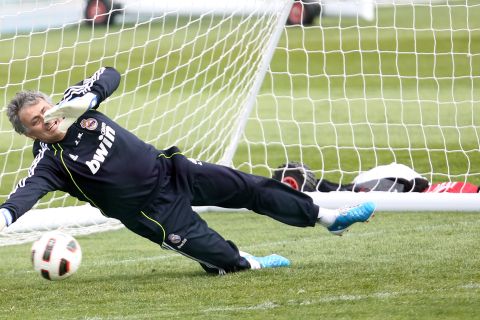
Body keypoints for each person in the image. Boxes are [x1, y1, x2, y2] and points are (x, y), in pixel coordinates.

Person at [0, 67, 376, 274]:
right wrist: (4, 215)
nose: (46, 121)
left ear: (51, 103)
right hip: (153, 213)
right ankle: (248, 261)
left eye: (44, 111)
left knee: (250, 186)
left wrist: (92, 96)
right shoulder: (50, 161)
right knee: (226, 263)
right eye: (35, 121)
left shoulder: (75, 104)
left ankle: (329, 217)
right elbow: (26, 193)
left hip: (172, 170)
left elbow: (110, 73)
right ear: (29, 132)